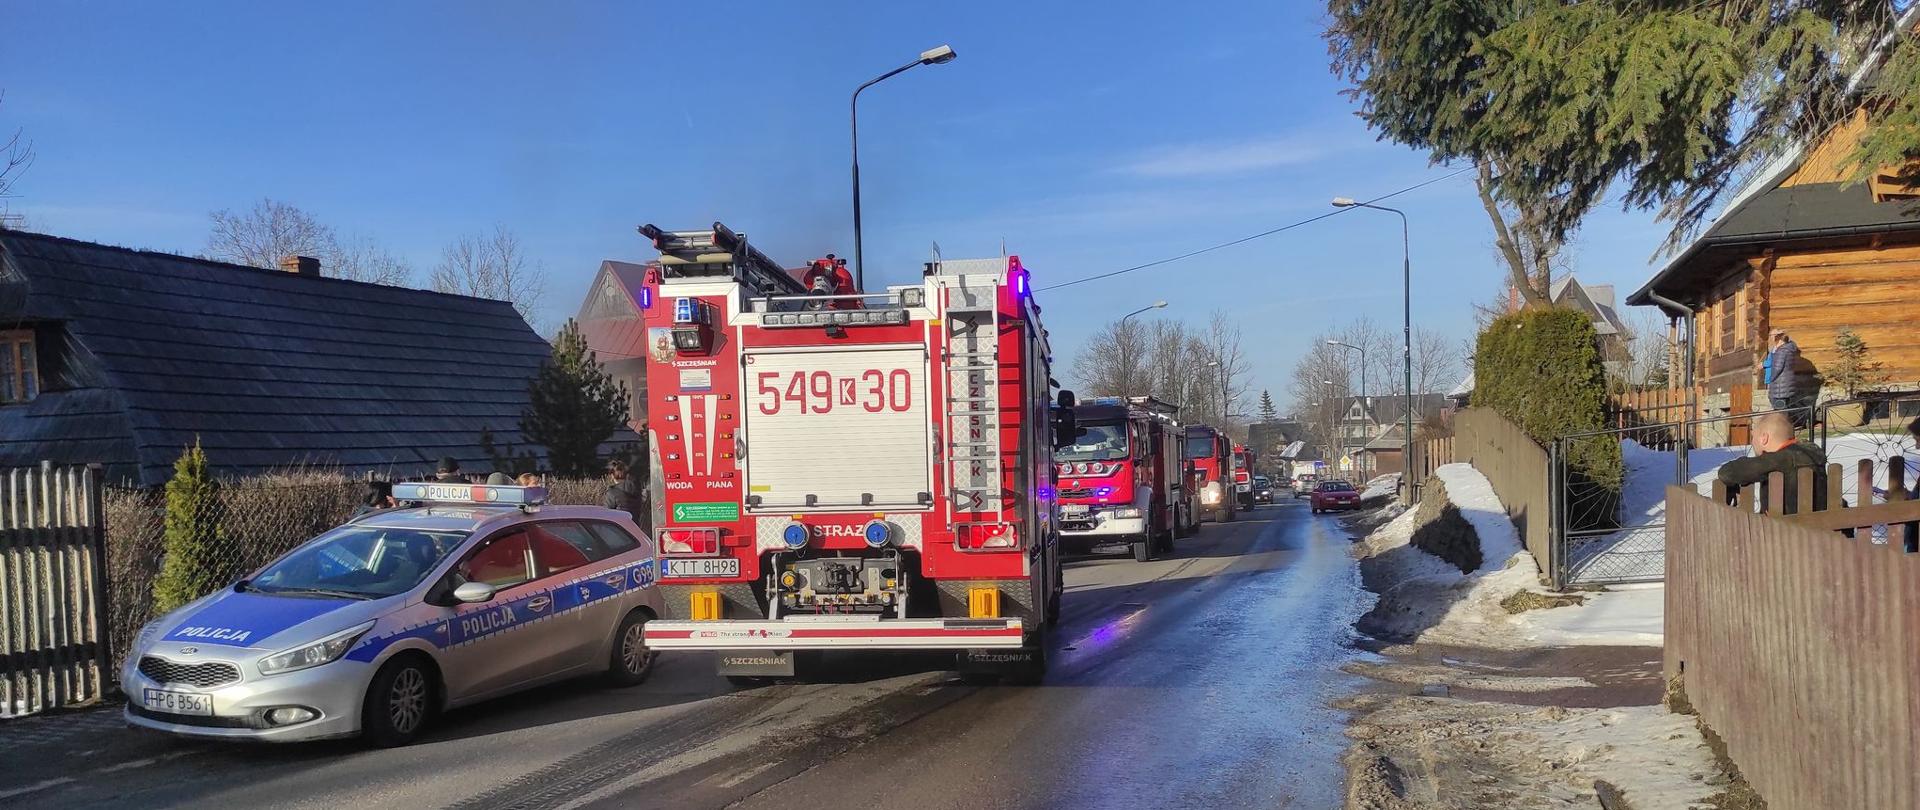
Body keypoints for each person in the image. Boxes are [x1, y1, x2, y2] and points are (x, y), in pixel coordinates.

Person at [1718, 411, 1828, 514]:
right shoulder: (1812, 453)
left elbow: (1727, 472)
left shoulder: (1777, 460)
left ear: (1764, 438)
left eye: (1753, 437)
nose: (1752, 442)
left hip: (1785, 526)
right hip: (1824, 524)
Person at [1765, 329, 1804, 425]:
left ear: (1777, 337)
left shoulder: (1782, 351)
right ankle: (1792, 425)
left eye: (1771, 336)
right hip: (1785, 385)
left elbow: (1777, 368)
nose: (1770, 338)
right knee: (1784, 409)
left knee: (1780, 411)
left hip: (1780, 387)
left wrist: (1771, 379)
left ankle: (1786, 428)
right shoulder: (1788, 349)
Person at [602, 459, 651, 532]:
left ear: (612, 475)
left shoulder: (612, 492)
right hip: (635, 528)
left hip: (618, 530)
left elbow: (607, 514)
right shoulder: (637, 489)